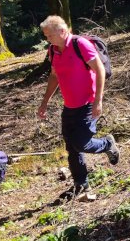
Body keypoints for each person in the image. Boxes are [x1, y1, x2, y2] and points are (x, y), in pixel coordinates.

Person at [37, 16, 119, 201]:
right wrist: (44, 102)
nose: (47, 39)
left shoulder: (80, 45)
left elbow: (99, 70)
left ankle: (107, 144)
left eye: (49, 35)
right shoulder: (53, 50)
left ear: (62, 31)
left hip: (87, 103)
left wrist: (98, 100)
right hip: (69, 106)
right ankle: (80, 183)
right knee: (72, 147)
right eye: (46, 36)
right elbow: (54, 76)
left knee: (81, 143)